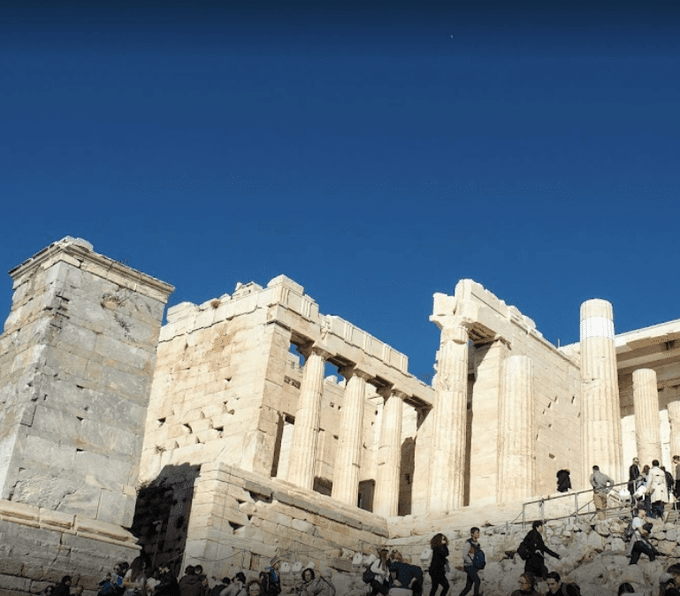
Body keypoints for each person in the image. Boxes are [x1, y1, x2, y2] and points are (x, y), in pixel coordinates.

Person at [458, 527, 482, 596]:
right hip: (468, 566)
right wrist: (472, 562)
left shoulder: (477, 544)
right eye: (477, 532)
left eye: (478, 532)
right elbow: (464, 556)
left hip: (473, 566)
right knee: (477, 581)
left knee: (468, 586)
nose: (478, 534)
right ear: (472, 534)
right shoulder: (468, 543)